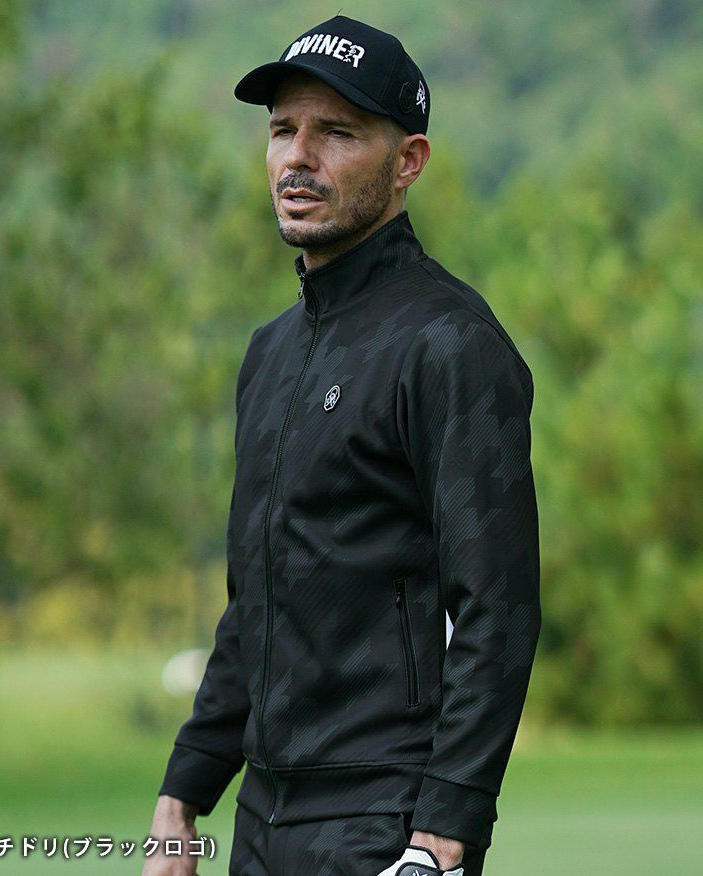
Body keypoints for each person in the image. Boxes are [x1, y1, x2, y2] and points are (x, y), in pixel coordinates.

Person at [143, 14, 541, 876]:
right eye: (282, 130)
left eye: (337, 133)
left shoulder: (450, 345)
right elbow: (254, 603)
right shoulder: (269, 354)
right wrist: (184, 793)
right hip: (260, 820)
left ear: (408, 162)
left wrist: (445, 830)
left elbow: (498, 606)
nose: (298, 157)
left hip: (386, 820)